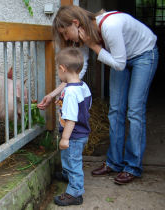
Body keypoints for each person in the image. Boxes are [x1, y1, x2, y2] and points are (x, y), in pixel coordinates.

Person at [38, 5, 159, 185]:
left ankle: (132, 166)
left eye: (65, 32)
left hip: (143, 54)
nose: (66, 38)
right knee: (115, 109)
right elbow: (76, 73)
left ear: (75, 23)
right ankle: (114, 162)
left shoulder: (110, 25)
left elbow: (119, 64)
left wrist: (93, 45)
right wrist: (53, 94)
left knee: (134, 111)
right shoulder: (85, 37)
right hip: (120, 58)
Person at [52, 47, 92, 206]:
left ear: (62, 68)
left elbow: (71, 119)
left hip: (73, 135)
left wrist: (65, 138)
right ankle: (67, 175)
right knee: (68, 158)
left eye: (57, 69)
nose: (58, 72)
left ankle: (75, 193)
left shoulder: (70, 92)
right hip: (81, 133)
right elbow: (86, 106)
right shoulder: (83, 86)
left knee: (73, 162)